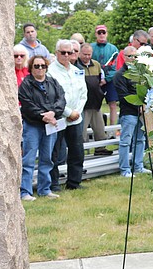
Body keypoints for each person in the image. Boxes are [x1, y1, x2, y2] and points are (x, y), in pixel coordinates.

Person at [18, 55, 66, 201]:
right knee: (29, 159)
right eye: (36, 66)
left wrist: (53, 113)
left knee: (47, 158)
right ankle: (25, 192)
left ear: (46, 67)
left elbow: (61, 99)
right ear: (31, 68)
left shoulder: (53, 82)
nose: (40, 69)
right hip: (32, 125)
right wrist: (42, 115)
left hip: (50, 126)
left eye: (42, 66)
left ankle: (44, 189)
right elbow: (26, 103)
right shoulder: (26, 84)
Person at [48, 40, 87, 191]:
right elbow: (53, 97)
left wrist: (77, 112)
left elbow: (83, 93)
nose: (66, 55)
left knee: (77, 151)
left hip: (76, 118)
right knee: (55, 152)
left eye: (69, 52)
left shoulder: (77, 71)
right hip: (58, 118)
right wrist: (68, 112)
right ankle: (54, 184)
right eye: (63, 52)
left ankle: (74, 182)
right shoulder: (50, 71)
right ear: (57, 52)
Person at [114, 46, 149, 177]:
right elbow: (123, 96)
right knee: (125, 142)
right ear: (124, 57)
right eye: (130, 56)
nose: (133, 59)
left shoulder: (141, 73)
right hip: (129, 112)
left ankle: (138, 166)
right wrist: (138, 106)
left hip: (142, 112)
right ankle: (125, 169)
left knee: (140, 140)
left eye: (135, 56)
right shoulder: (119, 75)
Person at [76, 43, 110, 155]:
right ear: (80, 53)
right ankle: (81, 152)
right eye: (84, 54)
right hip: (83, 104)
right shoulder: (76, 66)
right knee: (82, 131)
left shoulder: (96, 64)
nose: (87, 57)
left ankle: (100, 149)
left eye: (89, 54)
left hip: (96, 102)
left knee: (100, 128)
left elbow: (101, 80)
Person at [91, 25, 120, 126]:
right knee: (94, 106)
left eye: (104, 32)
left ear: (107, 33)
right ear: (96, 34)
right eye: (99, 33)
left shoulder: (113, 49)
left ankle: (112, 130)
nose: (102, 35)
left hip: (110, 81)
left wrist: (106, 79)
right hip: (94, 81)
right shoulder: (91, 48)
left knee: (112, 105)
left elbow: (116, 67)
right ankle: (96, 128)